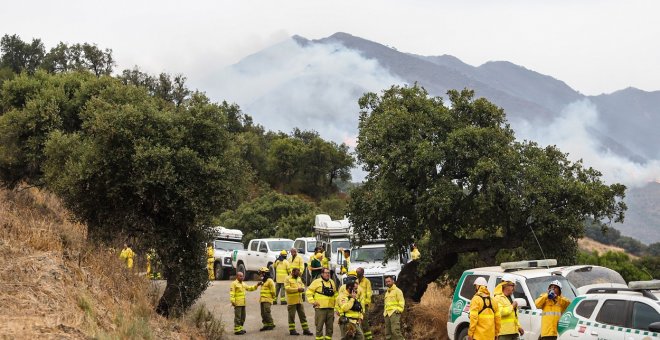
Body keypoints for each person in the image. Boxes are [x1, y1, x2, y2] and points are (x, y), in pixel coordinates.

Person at [306, 267, 337, 340]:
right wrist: (313, 302)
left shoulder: (332, 282)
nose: (327, 274)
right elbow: (309, 292)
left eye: (328, 273)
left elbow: (335, 294)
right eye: (326, 273)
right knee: (319, 327)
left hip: (330, 309)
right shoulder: (316, 282)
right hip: (320, 308)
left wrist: (337, 305)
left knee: (330, 328)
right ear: (322, 274)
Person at [494, 274, 524, 340]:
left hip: (514, 332)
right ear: (506, 285)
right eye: (512, 286)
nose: (514, 288)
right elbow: (501, 312)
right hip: (504, 333)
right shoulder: (498, 298)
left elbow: (514, 315)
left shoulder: (511, 298)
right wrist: (512, 306)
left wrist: (519, 326)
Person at [285, 267, 313, 336]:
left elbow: (302, 285)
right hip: (292, 301)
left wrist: (303, 288)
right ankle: (292, 330)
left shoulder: (299, 278)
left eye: (299, 273)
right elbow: (287, 289)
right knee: (291, 316)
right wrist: (297, 289)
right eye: (297, 273)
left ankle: (306, 330)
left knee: (303, 316)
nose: (298, 274)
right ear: (293, 272)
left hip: (299, 301)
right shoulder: (287, 279)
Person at [383, 275, 405, 340]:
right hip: (387, 314)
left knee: (395, 331)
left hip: (394, 313)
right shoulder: (387, 292)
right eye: (386, 282)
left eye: (389, 281)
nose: (387, 283)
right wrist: (384, 313)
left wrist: (399, 310)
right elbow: (386, 304)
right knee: (388, 333)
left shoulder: (398, 291)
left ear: (393, 281)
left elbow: (401, 301)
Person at [356, 268, 373, 340]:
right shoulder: (356, 281)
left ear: (363, 273)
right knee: (357, 322)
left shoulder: (367, 281)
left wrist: (366, 303)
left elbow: (369, 293)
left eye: (359, 272)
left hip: (364, 305)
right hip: (356, 305)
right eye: (357, 272)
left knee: (364, 323)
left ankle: (368, 338)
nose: (357, 274)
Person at [258, 267, 276, 331]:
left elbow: (273, 291)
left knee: (267, 312)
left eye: (261, 273)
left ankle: (271, 324)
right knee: (263, 313)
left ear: (265, 273)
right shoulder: (263, 281)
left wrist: (272, 298)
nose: (260, 275)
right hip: (262, 300)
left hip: (267, 300)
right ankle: (265, 325)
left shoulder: (270, 281)